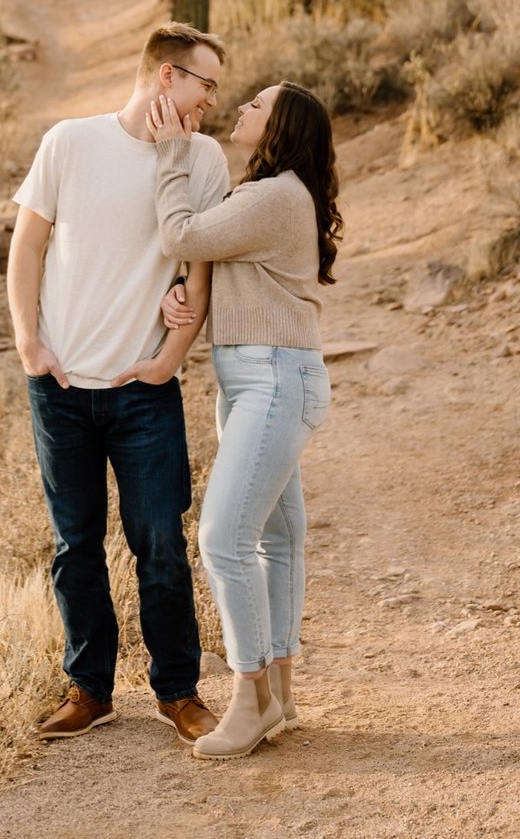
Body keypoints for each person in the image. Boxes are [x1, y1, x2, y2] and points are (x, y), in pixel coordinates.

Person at [7, 21, 229, 744]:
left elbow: (199, 269)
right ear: (167, 75)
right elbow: (29, 242)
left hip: (144, 388)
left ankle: (179, 692)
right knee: (76, 543)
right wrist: (28, 340)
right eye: (206, 84)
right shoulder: (69, 141)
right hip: (62, 387)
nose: (212, 103)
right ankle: (90, 688)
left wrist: (171, 355)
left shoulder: (204, 160)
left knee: (160, 538)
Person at [148, 79, 341, 760]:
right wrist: (184, 296)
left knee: (223, 539)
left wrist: (173, 152)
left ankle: (249, 700)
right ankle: (279, 693)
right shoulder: (276, 196)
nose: (243, 109)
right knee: (278, 539)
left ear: (282, 124)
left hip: (271, 381)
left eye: (258, 104)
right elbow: (210, 259)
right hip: (263, 379)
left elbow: (182, 231)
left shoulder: (275, 194)